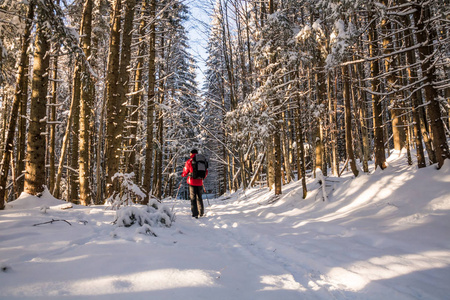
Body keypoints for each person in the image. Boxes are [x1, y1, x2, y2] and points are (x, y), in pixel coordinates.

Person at [182, 149, 208, 218]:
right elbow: (206, 171)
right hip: (200, 182)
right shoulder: (202, 161)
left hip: (192, 182)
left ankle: (195, 214)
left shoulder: (189, 161)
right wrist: (202, 178)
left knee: (193, 198)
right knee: (199, 197)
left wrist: (183, 175)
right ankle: (201, 212)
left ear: (191, 154)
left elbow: (185, 171)